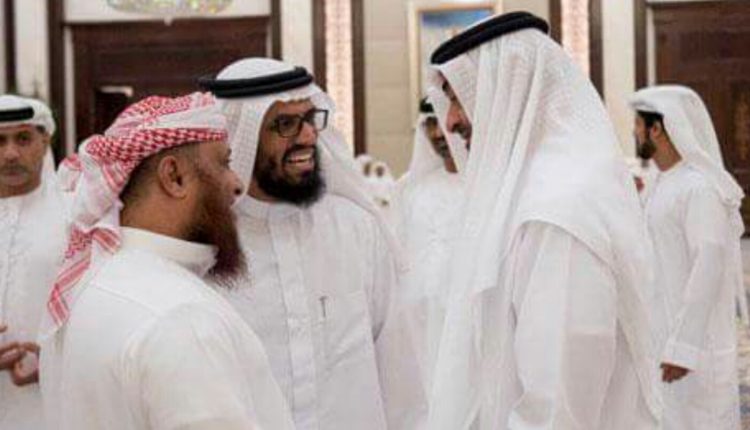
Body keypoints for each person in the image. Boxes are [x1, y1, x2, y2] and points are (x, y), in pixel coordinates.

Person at [425, 12, 661, 429]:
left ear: (507, 90)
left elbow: (556, 408)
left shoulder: (557, 211)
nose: (451, 121)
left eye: (459, 97)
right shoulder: (524, 193)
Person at [38, 92, 295, 430]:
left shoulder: (85, 287)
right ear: (174, 177)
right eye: (224, 163)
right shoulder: (182, 316)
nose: (236, 184)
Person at [199, 58, 426, 430]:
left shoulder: (357, 231)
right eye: (285, 124)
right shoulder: (204, 247)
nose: (307, 136)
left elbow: (403, 378)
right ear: (241, 137)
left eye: (309, 119)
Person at [631, 85, 746, 430]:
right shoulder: (662, 183)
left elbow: (707, 267)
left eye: (638, 124)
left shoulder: (699, 189)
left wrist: (684, 346)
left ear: (657, 128)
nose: (634, 131)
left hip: (696, 350)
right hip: (664, 338)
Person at [0, 95, 67, 430]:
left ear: (45, 142)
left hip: (51, 405)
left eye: (23, 139)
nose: (10, 153)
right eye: (0, 141)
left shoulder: (76, 217)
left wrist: (58, 361)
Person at [393, 97, 462, 392]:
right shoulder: (409, 189)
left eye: (441, 121)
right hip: (418, 331)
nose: (437, 134)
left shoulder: (487, 185)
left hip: (468, 331)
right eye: (429, 124)